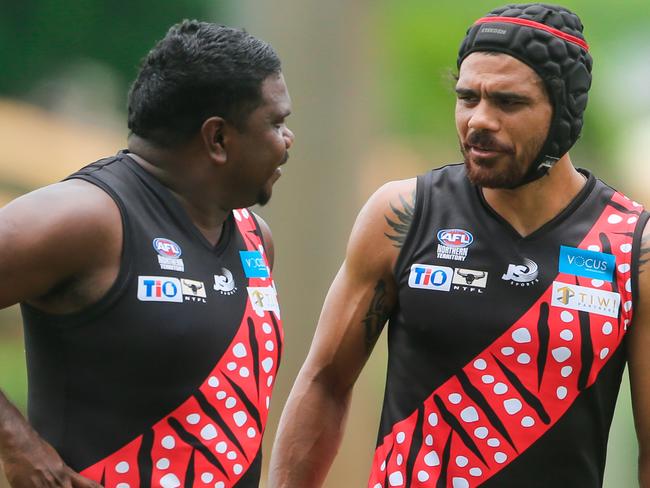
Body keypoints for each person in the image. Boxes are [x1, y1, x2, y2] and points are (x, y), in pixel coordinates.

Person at [269, 4, 650, 487]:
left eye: (508, 103)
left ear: (565, 111)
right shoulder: (403, 216)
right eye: (468, 98)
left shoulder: (633, 248)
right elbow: (324, 384)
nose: (479, 121)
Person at [0, 20, 293, 488]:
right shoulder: (89, 218)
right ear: (217, 138)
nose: (287, 140)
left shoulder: (255, 238)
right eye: (276, 123)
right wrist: (20, 448)